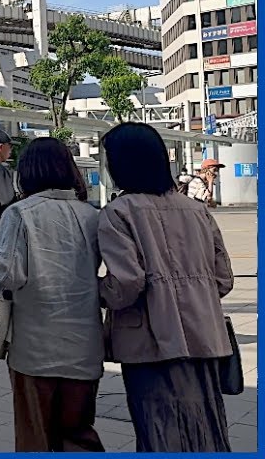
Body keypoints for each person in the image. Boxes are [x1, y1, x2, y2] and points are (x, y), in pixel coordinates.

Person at [97, 122, 235, 453]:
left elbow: (126, 283)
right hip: (204, 335)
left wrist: (95, 292)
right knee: (206, 428)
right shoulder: (196, 210)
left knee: (159, 428)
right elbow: (224, 279)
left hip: (150, 341)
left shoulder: (118, 213)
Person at [0, 138, 105, 452]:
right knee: (79, 434)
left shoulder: (19, 214)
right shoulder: (91, 216)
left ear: (26, 173)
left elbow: (10, 275)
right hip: (85, 347)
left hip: (34, 349)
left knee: (34, 438)